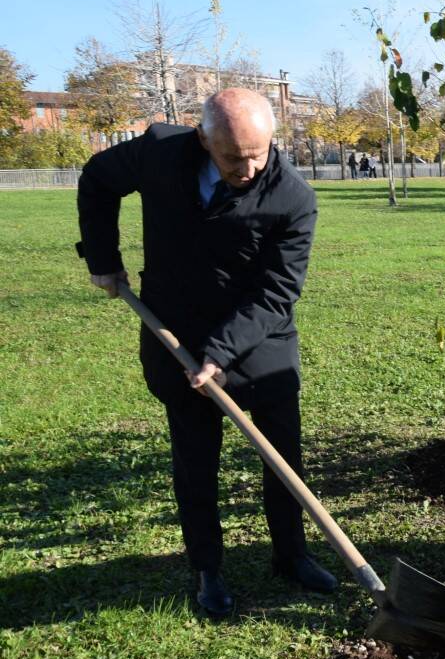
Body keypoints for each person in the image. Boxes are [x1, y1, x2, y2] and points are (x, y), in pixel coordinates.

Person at [77, 88, 336, 618]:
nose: (246, 168)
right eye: (232, 156)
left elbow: (276, 292)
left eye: (257, 154)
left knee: (282, 453)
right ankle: (208, 569)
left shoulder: (292, 198)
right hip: (176, 329)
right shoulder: (158, 153)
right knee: (195, 458)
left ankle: (292, 555)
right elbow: (98, 180)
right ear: (203, 139)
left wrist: (219, 352)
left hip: (261, 337)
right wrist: (103, 257)